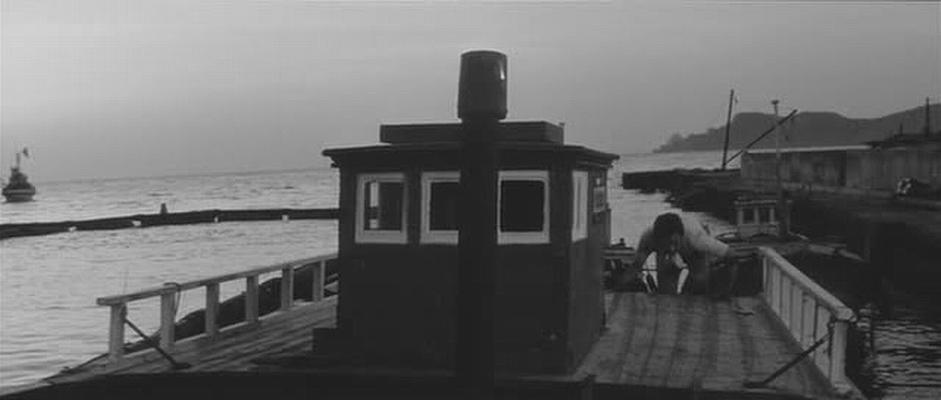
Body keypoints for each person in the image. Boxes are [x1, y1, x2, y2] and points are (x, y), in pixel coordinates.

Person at [632, 212, 738, 298]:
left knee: (699, 281)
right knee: (665, 294)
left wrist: (725, 288)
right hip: (664, 252)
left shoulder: (697, 239)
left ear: (681, 236)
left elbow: (731, 254)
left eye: (674, 243)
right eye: (667, 244)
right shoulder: (648, 238)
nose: (672, 248)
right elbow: (636, 266)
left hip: (693, 250)